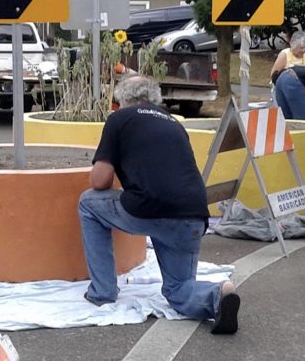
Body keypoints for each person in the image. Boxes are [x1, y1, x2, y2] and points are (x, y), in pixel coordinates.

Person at [78, 76, 240, 334]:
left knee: (88, 203)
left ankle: (102, 292)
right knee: (178, 291)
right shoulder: (175, 124)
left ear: (122, 100)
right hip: (194, 217)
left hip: (148, 210)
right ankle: (218, 293)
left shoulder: (120, 119)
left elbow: (100, 180)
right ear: (155, 98)